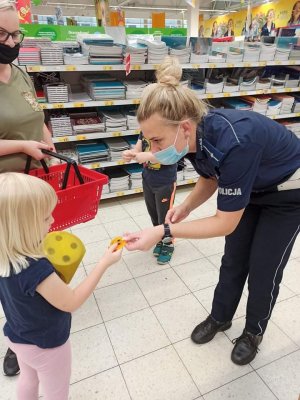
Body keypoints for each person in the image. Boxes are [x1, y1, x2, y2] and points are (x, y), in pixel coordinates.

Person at [124, 56, 300, 366]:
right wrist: (186, 207)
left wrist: (163, 231)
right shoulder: (194, 139)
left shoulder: (235, 141)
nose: (152, 148)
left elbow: (224, 223)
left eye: (156, 140)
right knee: (233, 259)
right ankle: (220, 317)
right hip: (253, 186)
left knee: (264, 268)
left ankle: (252, 332)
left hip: (287, 194)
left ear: (185, 128)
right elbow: (211, 175)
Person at [0, 172, 122, 400]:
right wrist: (103, 263)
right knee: (57, 392)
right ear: (24, 226)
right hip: (47, 346)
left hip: (16, 335)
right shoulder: (37, 269)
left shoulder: (5, 254)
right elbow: (72, 301)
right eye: (46, 218)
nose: (53, 222)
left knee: (28, 379)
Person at [0, 0, 58, 376]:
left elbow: (36, 115)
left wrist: (47, 141)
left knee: (34, 253)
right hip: (4, 193)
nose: (10, 41)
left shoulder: (19, 72)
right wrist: (21, 147)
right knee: (7, 265)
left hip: (31, 182)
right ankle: (16, 338)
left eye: (15, 33)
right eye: (1, 35)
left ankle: (41, 311)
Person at [122, 130, 177, 265]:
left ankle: (168, 243)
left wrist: (146, 156)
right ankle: (159, 237)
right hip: (147, 179)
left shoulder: (168, 131)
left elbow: (169, 155)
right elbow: (138, 147)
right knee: (153, 214)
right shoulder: (145, 130)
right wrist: (132, 153)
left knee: (165, 216)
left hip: (165, 182)